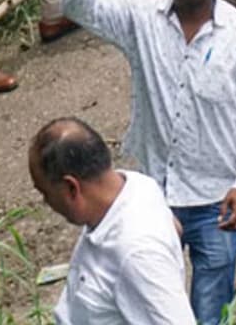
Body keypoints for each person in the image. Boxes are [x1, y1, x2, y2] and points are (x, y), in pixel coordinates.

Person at [62, 0, 236, 325]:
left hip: (218, 201)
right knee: (147, 308)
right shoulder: (141, 13)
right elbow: (76, 6)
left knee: (210, 311)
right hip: (153, 197)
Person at [29, 117, 195, 325]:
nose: (47, 202)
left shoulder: (136, 255)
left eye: (46, 193)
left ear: (72, 188)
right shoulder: (135, 185)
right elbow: (175, 227)